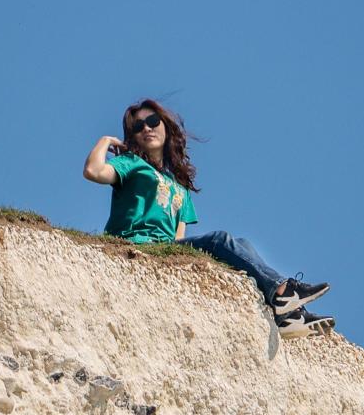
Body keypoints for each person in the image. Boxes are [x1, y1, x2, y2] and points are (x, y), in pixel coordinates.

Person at [83, 98, 334, 337]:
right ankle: (283, 290)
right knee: (219, 239)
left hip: (164, 247)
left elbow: (177, 240)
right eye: (138, 126)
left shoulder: (180, 187)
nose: (146, 128)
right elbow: (93, 170)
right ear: (132, 136)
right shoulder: (132, 163)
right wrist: (106, 140)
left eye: (153, 121)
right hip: (137, 242)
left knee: (244, 244)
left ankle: (290, 317)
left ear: (165, 126)